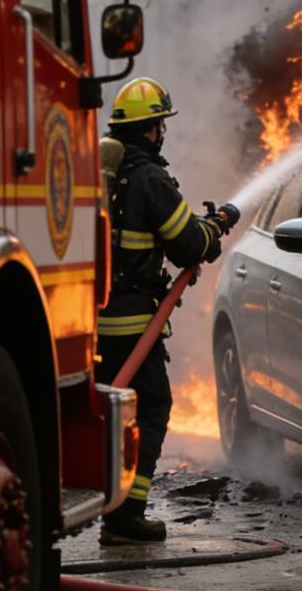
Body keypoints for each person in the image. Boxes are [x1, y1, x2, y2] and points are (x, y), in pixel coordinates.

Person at [96, 77, 225, 544]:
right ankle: (126, 516)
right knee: (151, 410)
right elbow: (189, 244)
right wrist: (215, 228)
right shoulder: (150, 178)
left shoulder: (100, 171)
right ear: (152, 129)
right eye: (160, 126)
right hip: (134, 326)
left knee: (105, 411)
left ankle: (107, 502)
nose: (162, 135)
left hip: (90, 322)